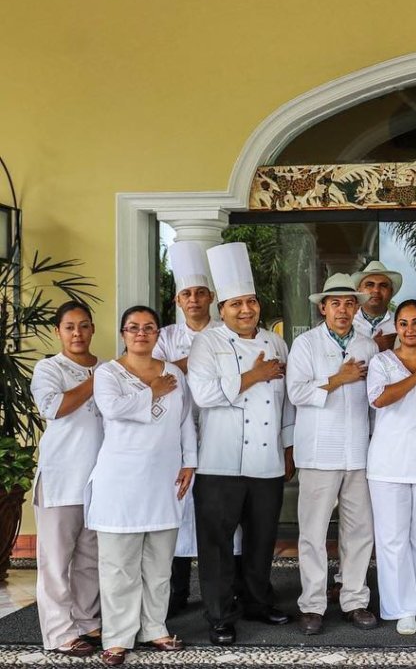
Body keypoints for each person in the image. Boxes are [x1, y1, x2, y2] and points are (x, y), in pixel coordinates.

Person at [188, 242, 296, 646]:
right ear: (222, 310)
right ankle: (219, 615)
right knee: (216, 544)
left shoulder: (276, 341)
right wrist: (254, 376)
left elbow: (286, 402)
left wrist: (288, 447)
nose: (246, 310)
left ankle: (257, 601)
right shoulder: (207, 344)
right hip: (219, 462)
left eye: (251, 302)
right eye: (236, 304)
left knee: (262, 537)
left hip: (267, 460)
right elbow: (204, 395)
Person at [87, 305, 197, 665]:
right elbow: (113, 408)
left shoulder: (173, 374)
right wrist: (152, 389)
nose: (141, 333)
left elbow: (185, 421)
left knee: (159, 562)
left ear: (157, 335)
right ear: (123, 334)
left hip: (163, 478)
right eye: (133, 328)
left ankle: (154, 627)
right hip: (120, 479)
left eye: (149, 327)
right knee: (119, 565)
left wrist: (189, 462)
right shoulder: (108, 373)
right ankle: (117, 637)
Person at [287, 274, 379, 635]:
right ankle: (312, 604)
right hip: (318, 453)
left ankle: (355, 599)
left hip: (358, 451)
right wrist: (338, 379)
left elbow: (374, 403)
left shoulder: (368, 345)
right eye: (335, 303)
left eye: (349, 303)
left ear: (357, 307)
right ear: (322, 307)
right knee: (312, 532)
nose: (343, 309)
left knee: (359, 531)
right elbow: (296, 392)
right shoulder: (305, 345)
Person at [154, 241, 237, 618]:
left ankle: (224, 592)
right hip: (176, 435)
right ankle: (175, 591)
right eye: (187, 293)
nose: (194, 299)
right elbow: (159, 376)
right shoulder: (165, 337)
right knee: (177, 510)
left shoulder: (228, 331)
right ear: (177, 300)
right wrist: (198, 362)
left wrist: (184, 366)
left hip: (223, 430)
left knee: (220, 513)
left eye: (201, 293)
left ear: (212, 297)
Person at [366, 300, 416, 635]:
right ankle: (401, 608)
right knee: (393, 539)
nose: (410, 329)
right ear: (395, 327)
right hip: (388, 463)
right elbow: (379, 399)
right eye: (403, 323)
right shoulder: (381, 361)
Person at [31, 301, 103, 657]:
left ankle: (88, 621)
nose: (78, 333)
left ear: (92, 329)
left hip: (98, 481)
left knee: (90, 558)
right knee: (56, 563)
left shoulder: (106, 368)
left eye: (84, 326)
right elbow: (54, 407)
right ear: (58, 331)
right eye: (70, 327)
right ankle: (60, 634)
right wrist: (96, 383)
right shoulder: (48, 369)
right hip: (60, 478)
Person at [352, 260, 403, 351]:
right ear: (359, 290)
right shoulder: (346, 323)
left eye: (383, 285)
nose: (376, 290)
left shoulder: (402, 324)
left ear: (391, 292)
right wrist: (375, 346)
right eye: (369, 285)